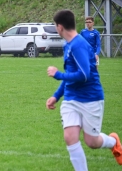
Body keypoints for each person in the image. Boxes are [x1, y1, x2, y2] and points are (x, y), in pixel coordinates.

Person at [46, 9, 122, 170]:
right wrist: (56, 96)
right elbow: (71, 74)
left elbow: (84, 75)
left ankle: (114, 142)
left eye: (55, 26)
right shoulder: (68, 44)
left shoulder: (78, 45)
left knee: (92, 142)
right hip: (71, 99)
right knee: (70, 137)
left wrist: (58, 74)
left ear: (60, 27)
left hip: (91, 98)